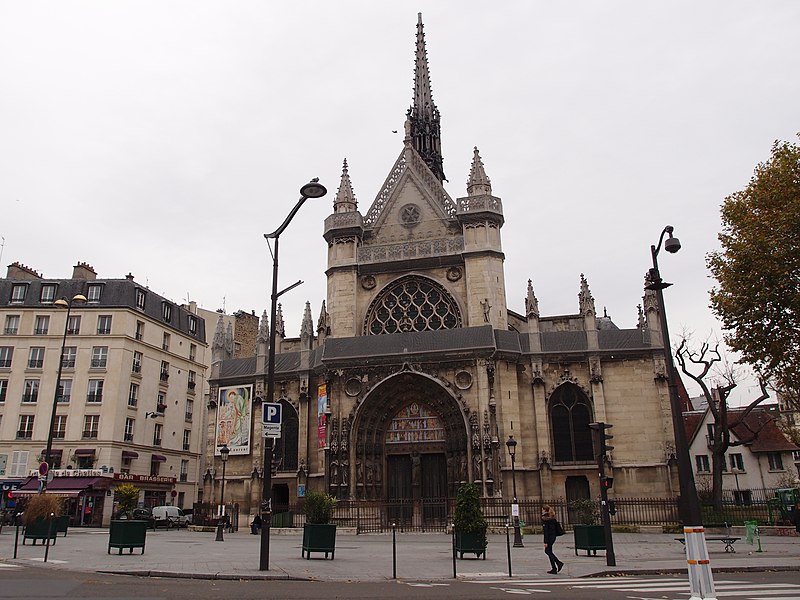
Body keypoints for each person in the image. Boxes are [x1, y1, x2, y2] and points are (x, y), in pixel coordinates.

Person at [541, 504, 564, 574]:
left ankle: (558, 563)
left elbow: (546, 531)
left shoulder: (545, 519)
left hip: (549, 537)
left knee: (547, 551)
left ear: (544, 510)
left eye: (542, 509)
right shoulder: (552, 518)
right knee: (549, 551)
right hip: (553, 536)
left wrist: (545, 542)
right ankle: (554, 567)